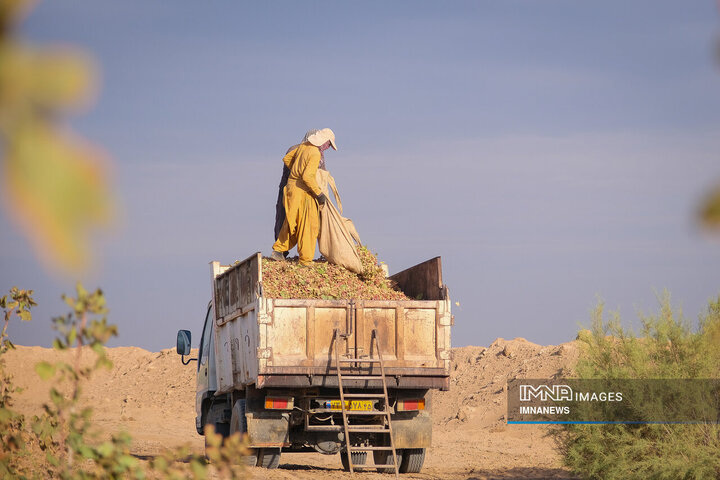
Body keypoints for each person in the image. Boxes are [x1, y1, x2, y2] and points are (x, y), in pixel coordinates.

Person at [271, 128, 337, 265]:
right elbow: (308, 177)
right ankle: (305, 261)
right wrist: (319, 194)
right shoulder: (315, 153)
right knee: (309, 225)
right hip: (304, 191)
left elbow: (287, 158)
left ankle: (278, 250)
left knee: (291, 221)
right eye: (329, 144)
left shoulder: (303, 147)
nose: (328, 147)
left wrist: (296, 170)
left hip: (291, 188)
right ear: (324, 142)